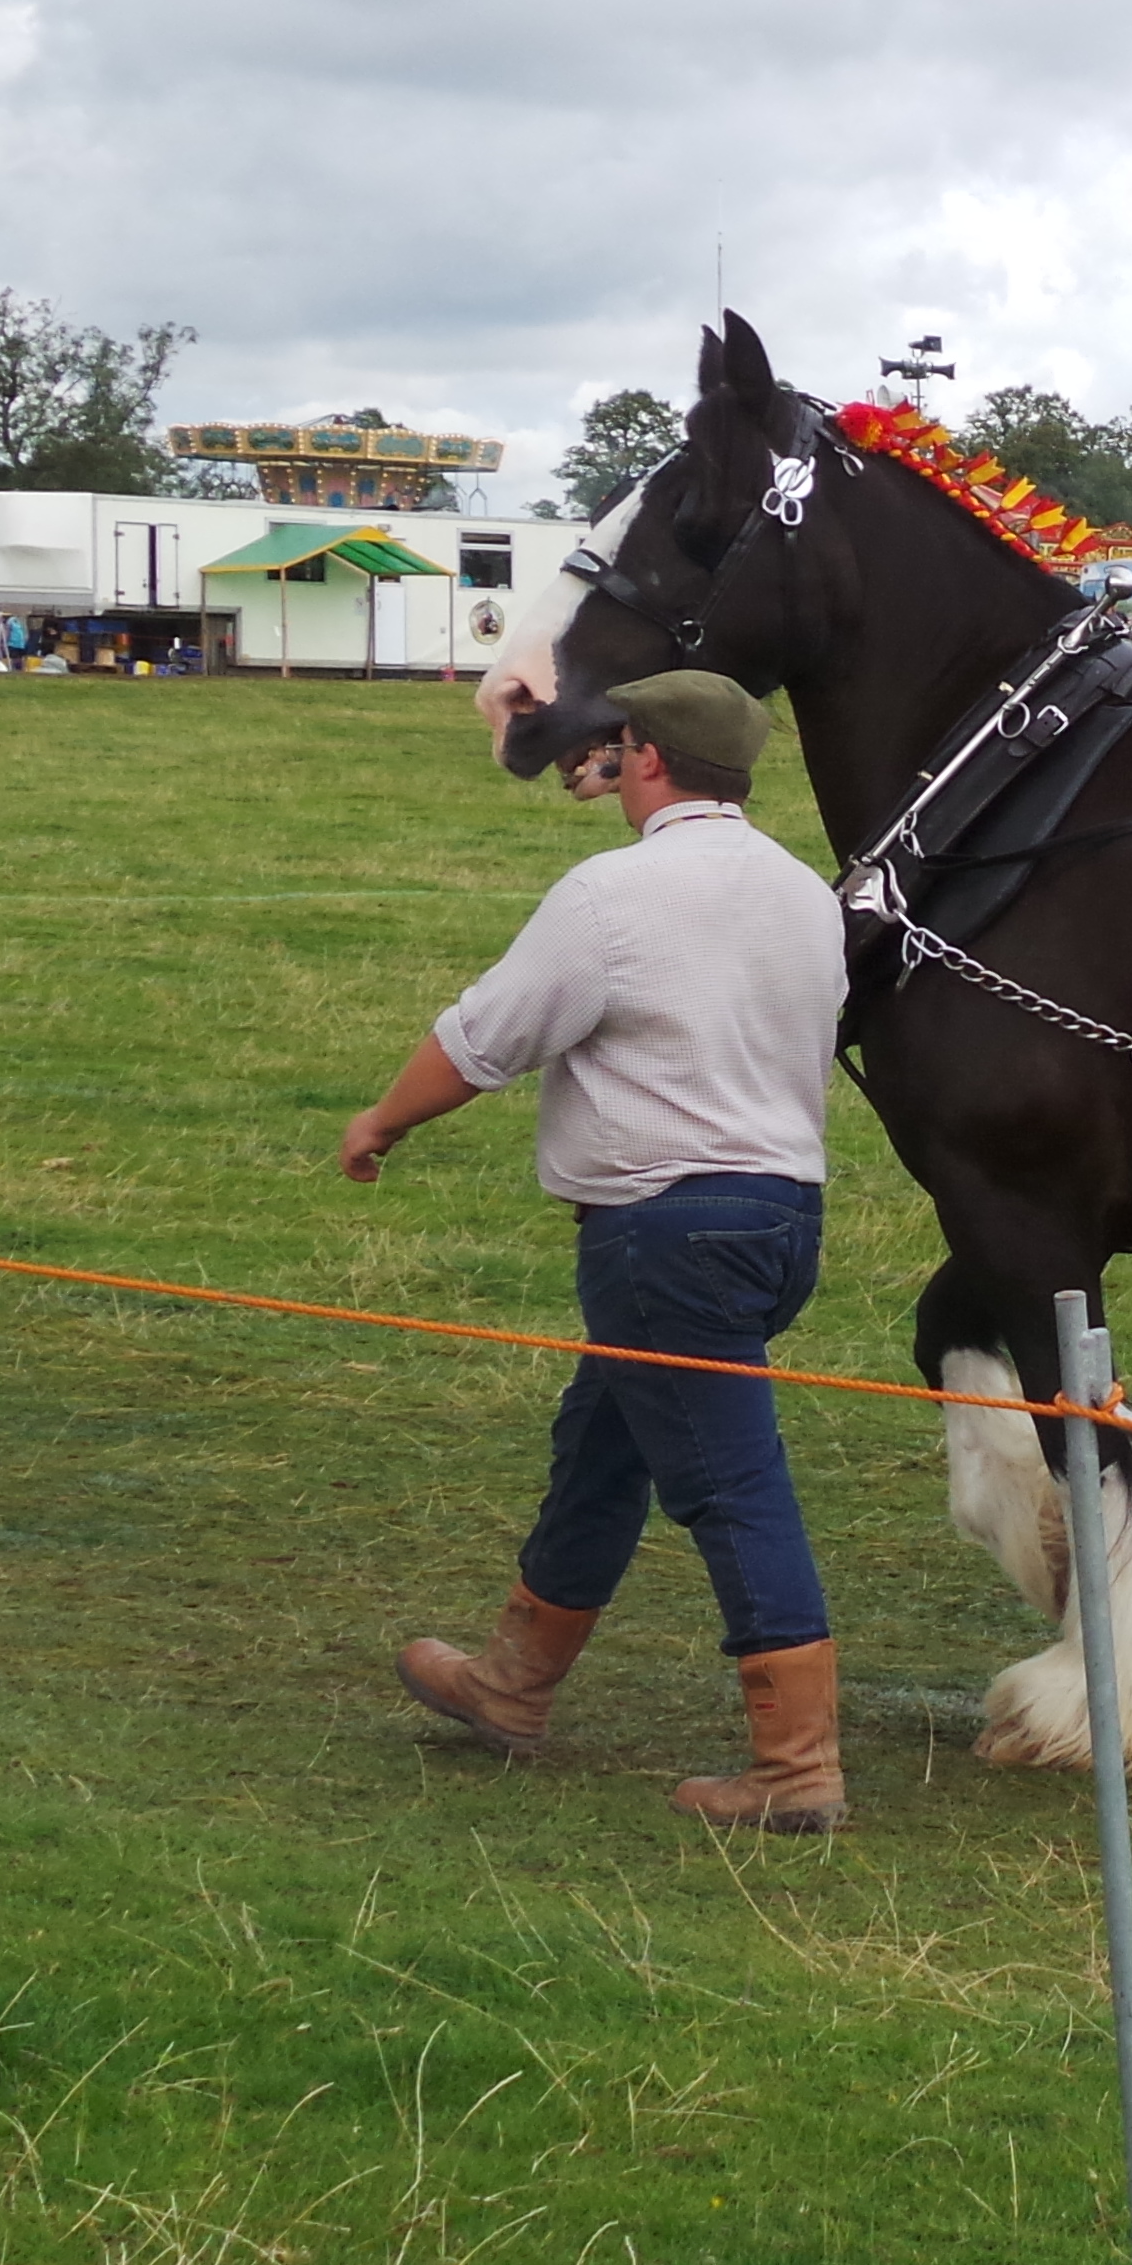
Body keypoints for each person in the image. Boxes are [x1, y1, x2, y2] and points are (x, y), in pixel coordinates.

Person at [339, 670, 858, 1832]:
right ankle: (511, 1685)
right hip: (781, 1222)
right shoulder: (803, 892)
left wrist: (381, 1121)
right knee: (605, 1447)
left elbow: (486, 1038)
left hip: (661, 1235)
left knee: (730, 1484)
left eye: (621, 743)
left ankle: (796, 1768)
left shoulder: (612, 893)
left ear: (650, 757)